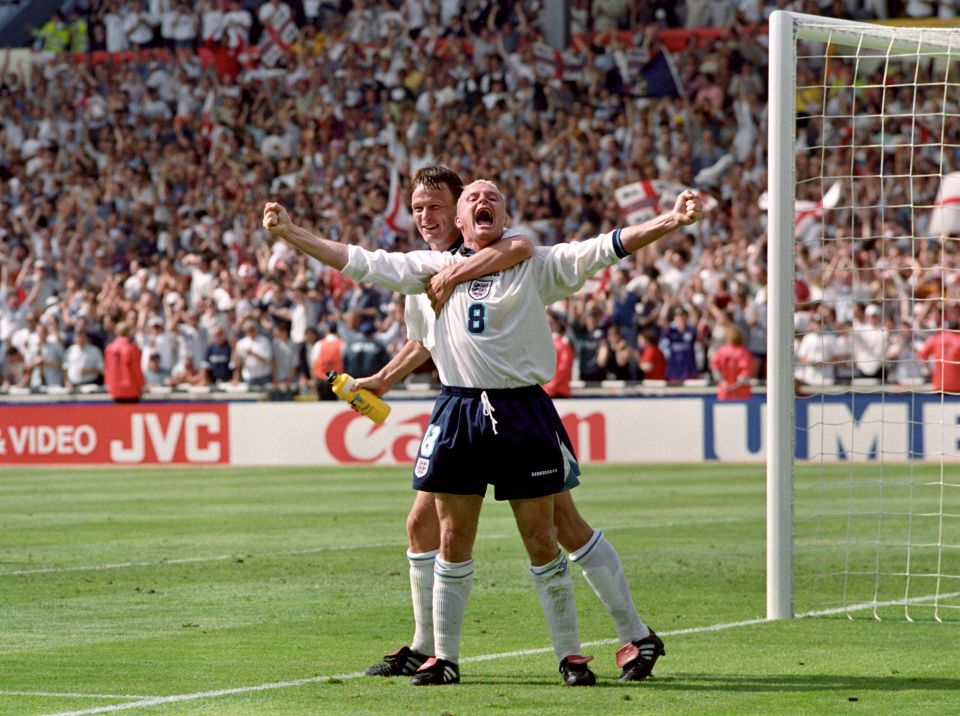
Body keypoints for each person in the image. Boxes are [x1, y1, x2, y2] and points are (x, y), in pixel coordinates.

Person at [263, 180, 701, 686]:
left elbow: (603, 248)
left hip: (521, 410)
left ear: (483, 216)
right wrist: (292, 233)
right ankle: (436, 651)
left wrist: (669, 221)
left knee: (551, 529)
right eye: (422, 208)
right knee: (438, 529)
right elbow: (363, 263)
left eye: (482, 198)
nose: (434, 215)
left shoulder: (527, 260)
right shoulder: (428, 268)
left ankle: (600, 644)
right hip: (459, 408)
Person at [104, 321, 145, 402]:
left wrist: (109, 385)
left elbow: (108, 369)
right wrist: (142, 384)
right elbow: (136, 369)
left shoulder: (109, 348)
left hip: (115, 389)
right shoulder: (132, 348)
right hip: (131, 389)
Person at [709, 325, 754, 400]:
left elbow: (715, 368)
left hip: (724, 391)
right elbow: (746, 371)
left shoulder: (721, 351)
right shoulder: (743, 352)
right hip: (741, 392)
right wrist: (736, 385)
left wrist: (723, 382)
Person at [917, 319, 960, 393]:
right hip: (957, 386)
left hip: (939, 384)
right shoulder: (958, 339)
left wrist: (930, 372)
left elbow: (921, 355)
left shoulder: (936, 338)